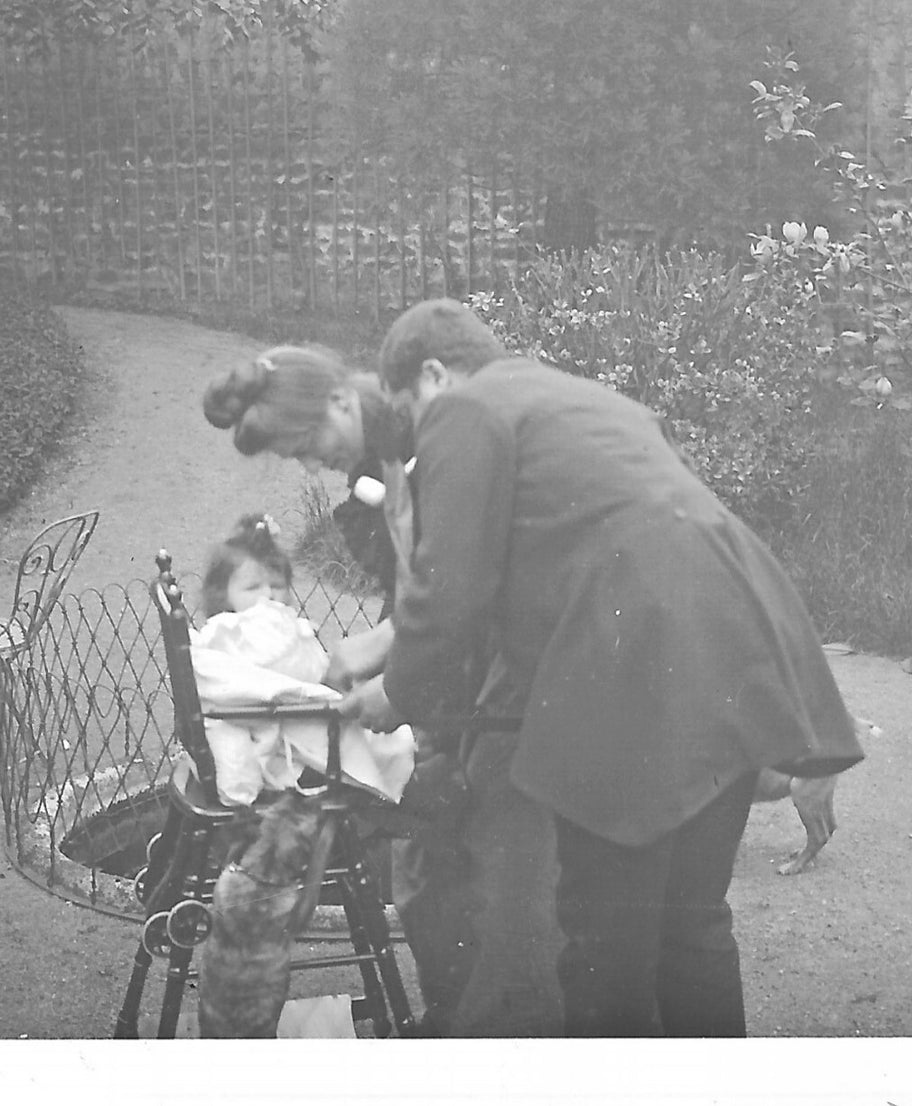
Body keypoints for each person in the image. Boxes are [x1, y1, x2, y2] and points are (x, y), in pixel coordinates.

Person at [337, 297, 865, 1037]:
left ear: (431, 374)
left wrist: (393, 695)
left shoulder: (467, 410)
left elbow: (451, 587)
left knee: (604, 939)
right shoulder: (573, 396)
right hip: (734, 629)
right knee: (691, 923)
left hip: (634, 660)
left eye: (410, 409)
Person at [201, 345, 564, 1036]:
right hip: (461, 681)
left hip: (520, 675)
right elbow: (420, 596)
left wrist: (389, 673)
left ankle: (504, 1037)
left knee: (507, 882)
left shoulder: (442, 441)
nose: (311, 464)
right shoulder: (384, 462)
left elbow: (465, 589)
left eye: (307, 444)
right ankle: (456, 1020)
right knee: (425, 866)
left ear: (340, 401)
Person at [191, 511, 413, 807]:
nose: (267, 596)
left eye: (277, 585)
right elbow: (288, 675)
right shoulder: (238, 633)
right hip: (284, 746)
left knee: (383, 738)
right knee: (375, 743)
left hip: (290, 722)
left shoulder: (269, 626)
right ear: (223, 594)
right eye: (252, 588)